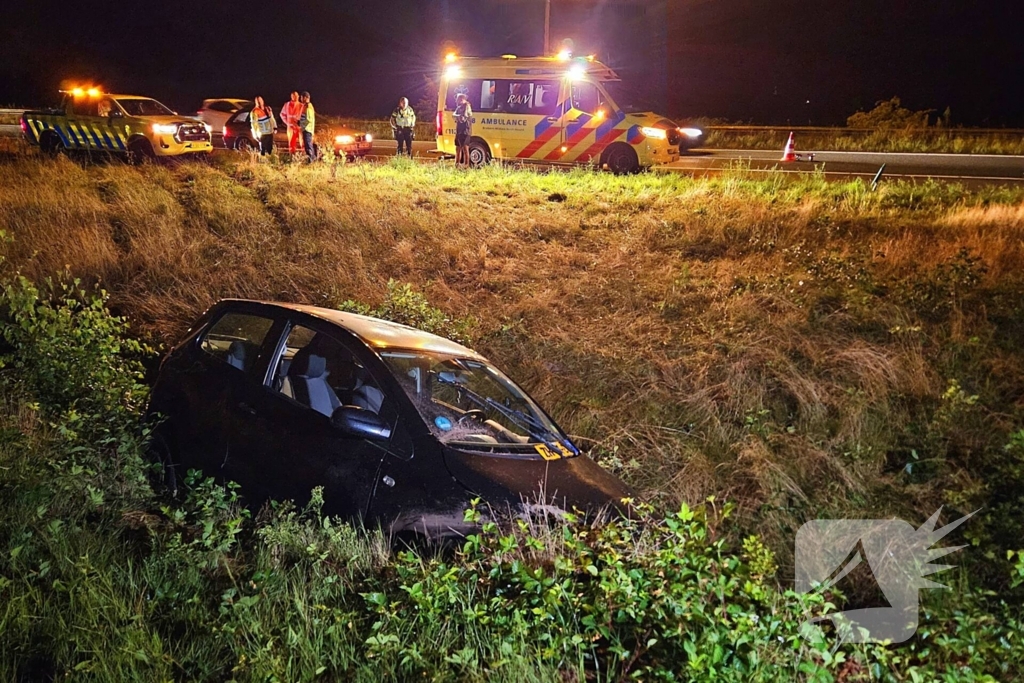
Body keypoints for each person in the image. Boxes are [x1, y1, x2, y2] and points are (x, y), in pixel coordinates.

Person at [453, 92, 473, 168]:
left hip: (465, 131)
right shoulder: (459, 107)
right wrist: (458, 116)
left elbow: (463, 118)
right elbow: (454, 115)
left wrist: (458, 116)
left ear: (462, 99)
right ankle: (456, 164)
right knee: (458, 148)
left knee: (465, 148)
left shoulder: (467, 106)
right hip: (459, 131)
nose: (456, 101)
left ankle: (466, 165)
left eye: (457, 99)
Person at [298, 91, 316, 163]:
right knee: (307, 145)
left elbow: (308, 119)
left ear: (305, 98)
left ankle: (311, 161)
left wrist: (300, 123)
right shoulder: (305, 106)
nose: (300, 99)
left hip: (307, 129)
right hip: (306, 128)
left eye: (301, 97)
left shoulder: (308, 106)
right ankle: (311, 160)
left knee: (308, 146)